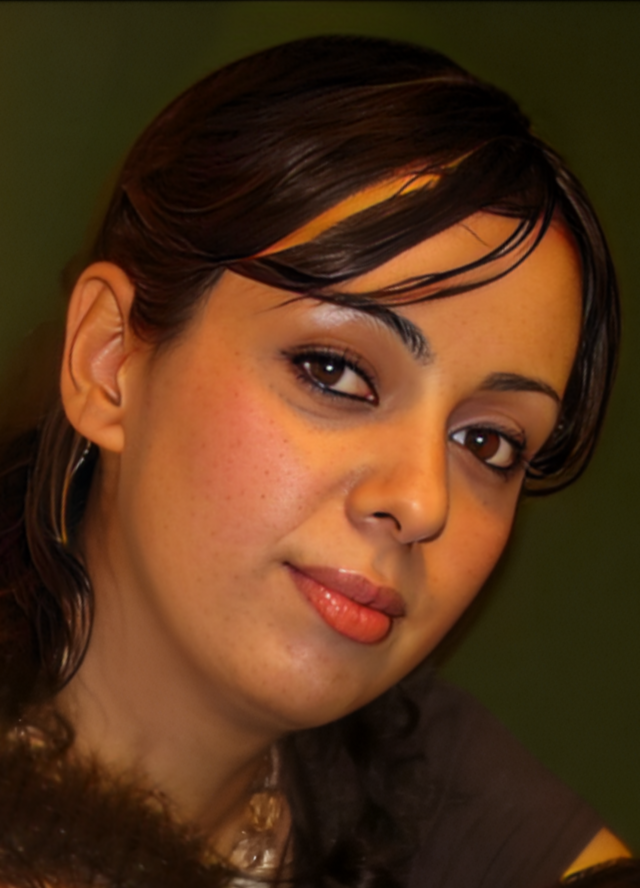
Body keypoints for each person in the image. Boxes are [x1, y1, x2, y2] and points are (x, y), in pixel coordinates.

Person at [0, 33, 630, 888]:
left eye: (487, 443)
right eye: (334, 372)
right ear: (109, 362)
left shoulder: (421, 778)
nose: (422, 502)